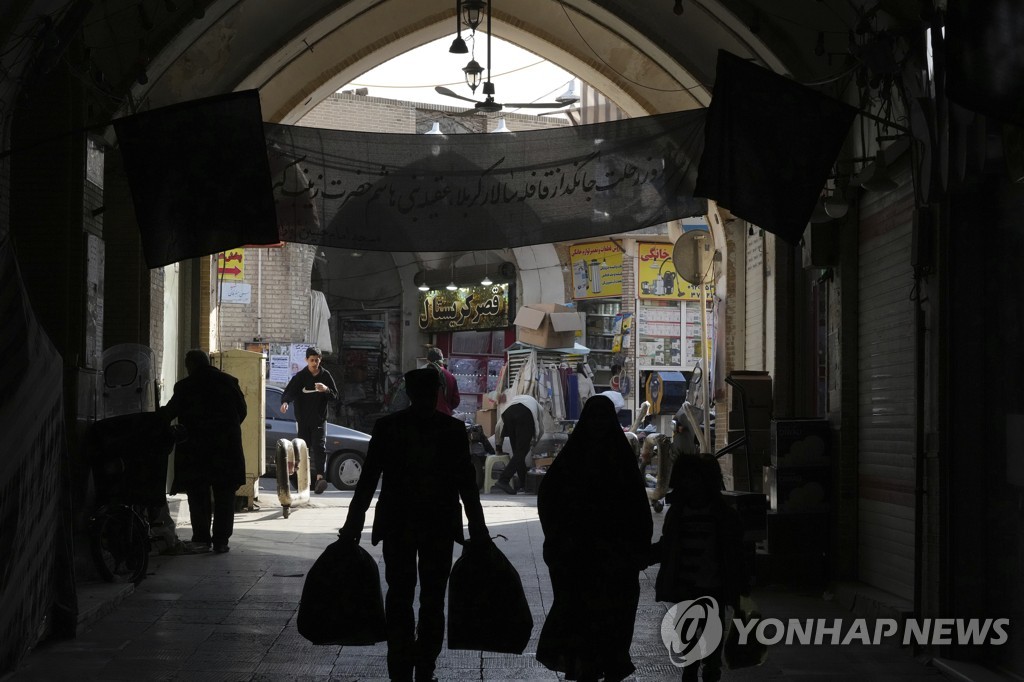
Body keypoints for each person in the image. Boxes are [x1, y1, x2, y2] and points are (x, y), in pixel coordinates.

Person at [337, 367, 491, 682]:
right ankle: (425, 666)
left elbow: (367, 483)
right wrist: (479, 529)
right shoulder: (451, 430)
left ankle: (400, 664)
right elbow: (467, 486)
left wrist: (353, 525)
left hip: (397, 524)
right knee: (433, 599)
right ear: (437, 393)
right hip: (439, 525)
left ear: (408, 392)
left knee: (399, 595)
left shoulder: (388, 428)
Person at [535, 395, 653, 682]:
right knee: (587, 612)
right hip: (581, 554)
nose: (599, 425)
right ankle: (588, 663)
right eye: (595, 418)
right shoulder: (610, 458)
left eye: (603, 418)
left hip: (611, 554)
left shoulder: (580, 457)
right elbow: (550, 500)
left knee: (611, 612)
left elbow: (637, 506)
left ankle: (604, 663)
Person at [649, 454, 748, 682]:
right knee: (687, 631)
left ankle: (710, 668)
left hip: (713, 585)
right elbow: (668, 545)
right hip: (685, 584)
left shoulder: (723, 516)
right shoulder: (679, 514)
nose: (690, 485)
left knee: (711, 631)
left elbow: (736, 555)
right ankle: (692, 667)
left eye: (694, 480)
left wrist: (741, 584)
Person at [159, 349, 247, 554]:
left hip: (196, 449)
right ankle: (221, 541)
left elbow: (170, 412)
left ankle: (201, 538)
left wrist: (155, 418)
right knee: (224, 494)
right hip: (226, 447)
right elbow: (242, 411)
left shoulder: (185, 386)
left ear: (190, 364)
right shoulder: (228, 381)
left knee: (198, 494)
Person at [280, 346, 338, 494]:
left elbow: (335, 397)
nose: (314, 363)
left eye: (317, 360)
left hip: (319, 420)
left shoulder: (326, 376)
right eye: (311, 360)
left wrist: (325, 389)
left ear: (320, 360)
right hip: (303, 421)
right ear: (306, 360)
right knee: (302, 449)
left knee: (319, 448)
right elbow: (290, 392)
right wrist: (285, 402)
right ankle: (301, 479)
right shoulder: (301, 377)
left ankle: (320, 479)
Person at [492, 393, 546, 495]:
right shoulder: (537, 406)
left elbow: (498, 426)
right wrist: (533, 444)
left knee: (518, 453)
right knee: (521, 452)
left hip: (508, 415)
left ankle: (523, 484)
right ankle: (503, 480)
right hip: (525, 415)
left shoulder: (511, 403)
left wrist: (498, 446)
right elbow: (541, 429)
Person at [425, 347, 460, 415]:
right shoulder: (451, 377)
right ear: (442, 360)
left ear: (428, 361)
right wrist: (446, 407)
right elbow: (456, 401)